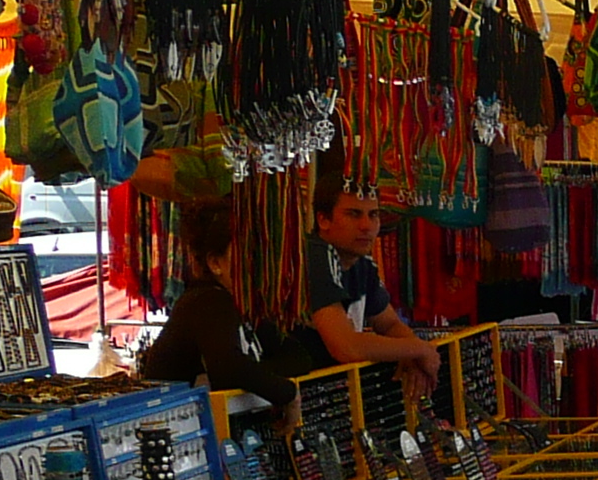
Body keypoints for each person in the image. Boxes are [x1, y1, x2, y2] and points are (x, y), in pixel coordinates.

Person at [138, 200, 298, 424]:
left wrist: (259, 373)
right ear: (215, 263)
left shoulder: (241, 307)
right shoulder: (207, 301)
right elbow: (228, 367)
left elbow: (298, 356)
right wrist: (287, 393)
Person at [287, 168, 439, 399]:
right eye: (354, 214)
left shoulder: (362, 263)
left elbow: (388, 324)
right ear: (323, 220)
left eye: (374, 215)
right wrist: (419, 349)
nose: (366, 226)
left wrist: (412, 354)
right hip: (296, 399)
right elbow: (346, 347)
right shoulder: (315, 255)